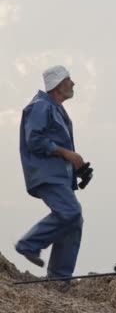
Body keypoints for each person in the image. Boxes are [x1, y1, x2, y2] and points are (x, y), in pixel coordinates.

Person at [15, 65, 90, 279]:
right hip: (46, 175)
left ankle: (59, 278)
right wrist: (68, 153)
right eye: (69, 79)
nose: (73, 83)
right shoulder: (40, 106)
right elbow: (35, 140)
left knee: (74, 221)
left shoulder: (55, 109)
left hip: (60, 176)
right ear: (58, 84)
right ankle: (28, 244)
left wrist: (77, 168)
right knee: (70, 212)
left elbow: (53, 147)